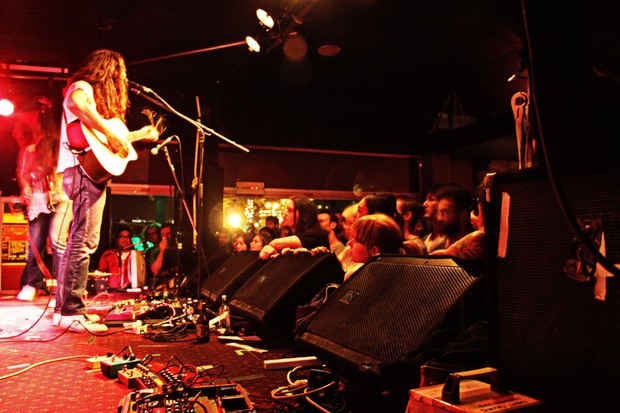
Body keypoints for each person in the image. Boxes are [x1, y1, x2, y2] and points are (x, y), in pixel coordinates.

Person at [54, 49, 159, 333]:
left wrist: (138, 135)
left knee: (81, 239)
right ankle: (71, 311)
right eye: (120, 72)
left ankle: (62, 309)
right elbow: (76, 104)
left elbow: (114, 139)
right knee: (85, 241)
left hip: (87, 174)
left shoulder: (102, 109)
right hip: (82, 171)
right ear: (107, 70)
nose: (124, 78)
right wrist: (111, 133)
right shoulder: (83, 87)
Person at [13, 98, 72, 302]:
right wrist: (27, 188)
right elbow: (23, 173)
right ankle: (32, 283)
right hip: (39, 200)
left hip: (62, 196)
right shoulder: (30, 149)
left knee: (58, 241)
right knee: (35, 244)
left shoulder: (60, 142)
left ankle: (66, 288)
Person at [258, 197, 329, 260]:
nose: (284, 213)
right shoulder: (293, 234)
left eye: (290, 210)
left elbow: (275, 243)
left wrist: (270, 247)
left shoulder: (316, 234)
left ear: (305, 216)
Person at [97, 225, 144, 290]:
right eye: (122, 237)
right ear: (116, 239)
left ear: (131, 239)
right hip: (111, 290)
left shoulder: (137, 255)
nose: (125, 239)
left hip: (131, 290)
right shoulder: (108, 254)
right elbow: (101, 273)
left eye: (127, 237)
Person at [148, 222, 179, 291]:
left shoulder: (179, 250)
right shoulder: (155, 252)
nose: (166, 237)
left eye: (169, 233)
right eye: (163, 234)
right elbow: (155, 271)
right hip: (160, 287)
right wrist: (162, 251)